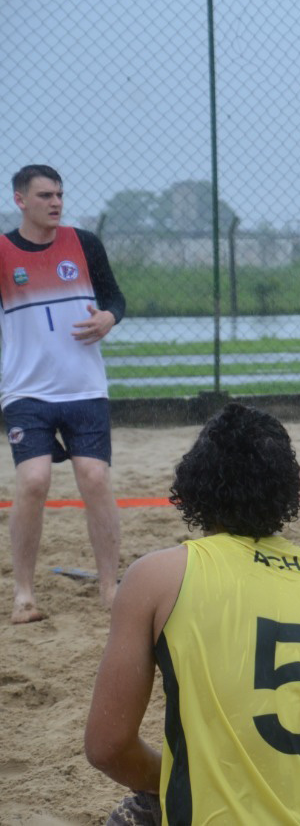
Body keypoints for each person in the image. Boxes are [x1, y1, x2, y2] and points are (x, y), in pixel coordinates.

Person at [84, 403, 300, 824]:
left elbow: (107, 747)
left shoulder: (156, 576)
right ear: (287, 491)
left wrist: (166, 780)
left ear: (194, 482)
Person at [3, 165, 126, 623]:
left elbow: (116, 298)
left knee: (94, 479)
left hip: (84, 389)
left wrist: (109, 319)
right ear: (20, 200)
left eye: (59, 194)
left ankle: (111, 590)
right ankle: (24, 596)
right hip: (25, 391)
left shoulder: (84, 243)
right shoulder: (2, 252)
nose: (55, 202)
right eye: (44, 195)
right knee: (34, 481)